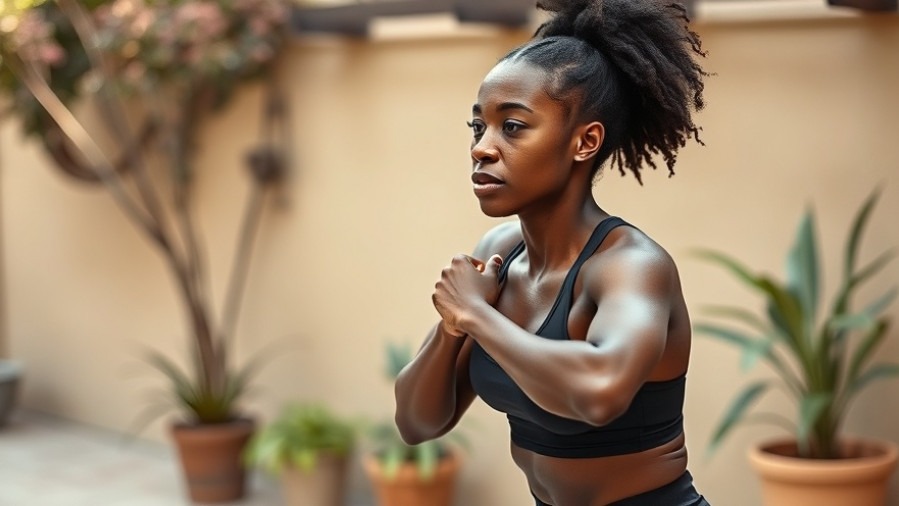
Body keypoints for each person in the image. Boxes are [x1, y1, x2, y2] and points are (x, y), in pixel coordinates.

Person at [394, 0, 710, 504]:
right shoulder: (501, 253)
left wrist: (475, 315)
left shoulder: (630, 266)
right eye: (478, 127)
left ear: (585, 142)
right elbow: (418, 423)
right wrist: (452, 326)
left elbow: (599, 393)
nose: (482, 147)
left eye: (512, 126)